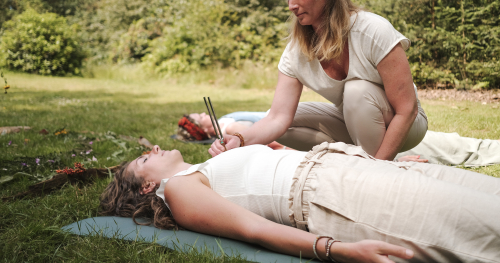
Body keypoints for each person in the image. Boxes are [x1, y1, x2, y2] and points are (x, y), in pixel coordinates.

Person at [100, 144, 500, 262]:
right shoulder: (178, 190)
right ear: (148, 186)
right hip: (339, 196)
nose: (152, 148)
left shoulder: (204, 166)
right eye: (144, 159)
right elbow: (252, 229)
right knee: (486, 228)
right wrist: (336, 249)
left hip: (356, 168)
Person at [210, 0, 428, 160]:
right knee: (284, 119)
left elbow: (406, 109)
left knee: (356, 90)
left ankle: (375, 167)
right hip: (354, 124)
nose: (291, 6)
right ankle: (365, 159)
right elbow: (277, 118)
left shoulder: (372, 30)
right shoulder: (296, 51)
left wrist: (379, 169)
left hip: (408, 123)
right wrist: (239, 138)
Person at [180, 105, 500, 166]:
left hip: (323, 129)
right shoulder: (231, 128)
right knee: (442, 146)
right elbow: (278, 143)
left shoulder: (228, 122)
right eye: (199, 119)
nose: (204, 115)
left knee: (444, 144)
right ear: (205, 130)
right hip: (326, 139)